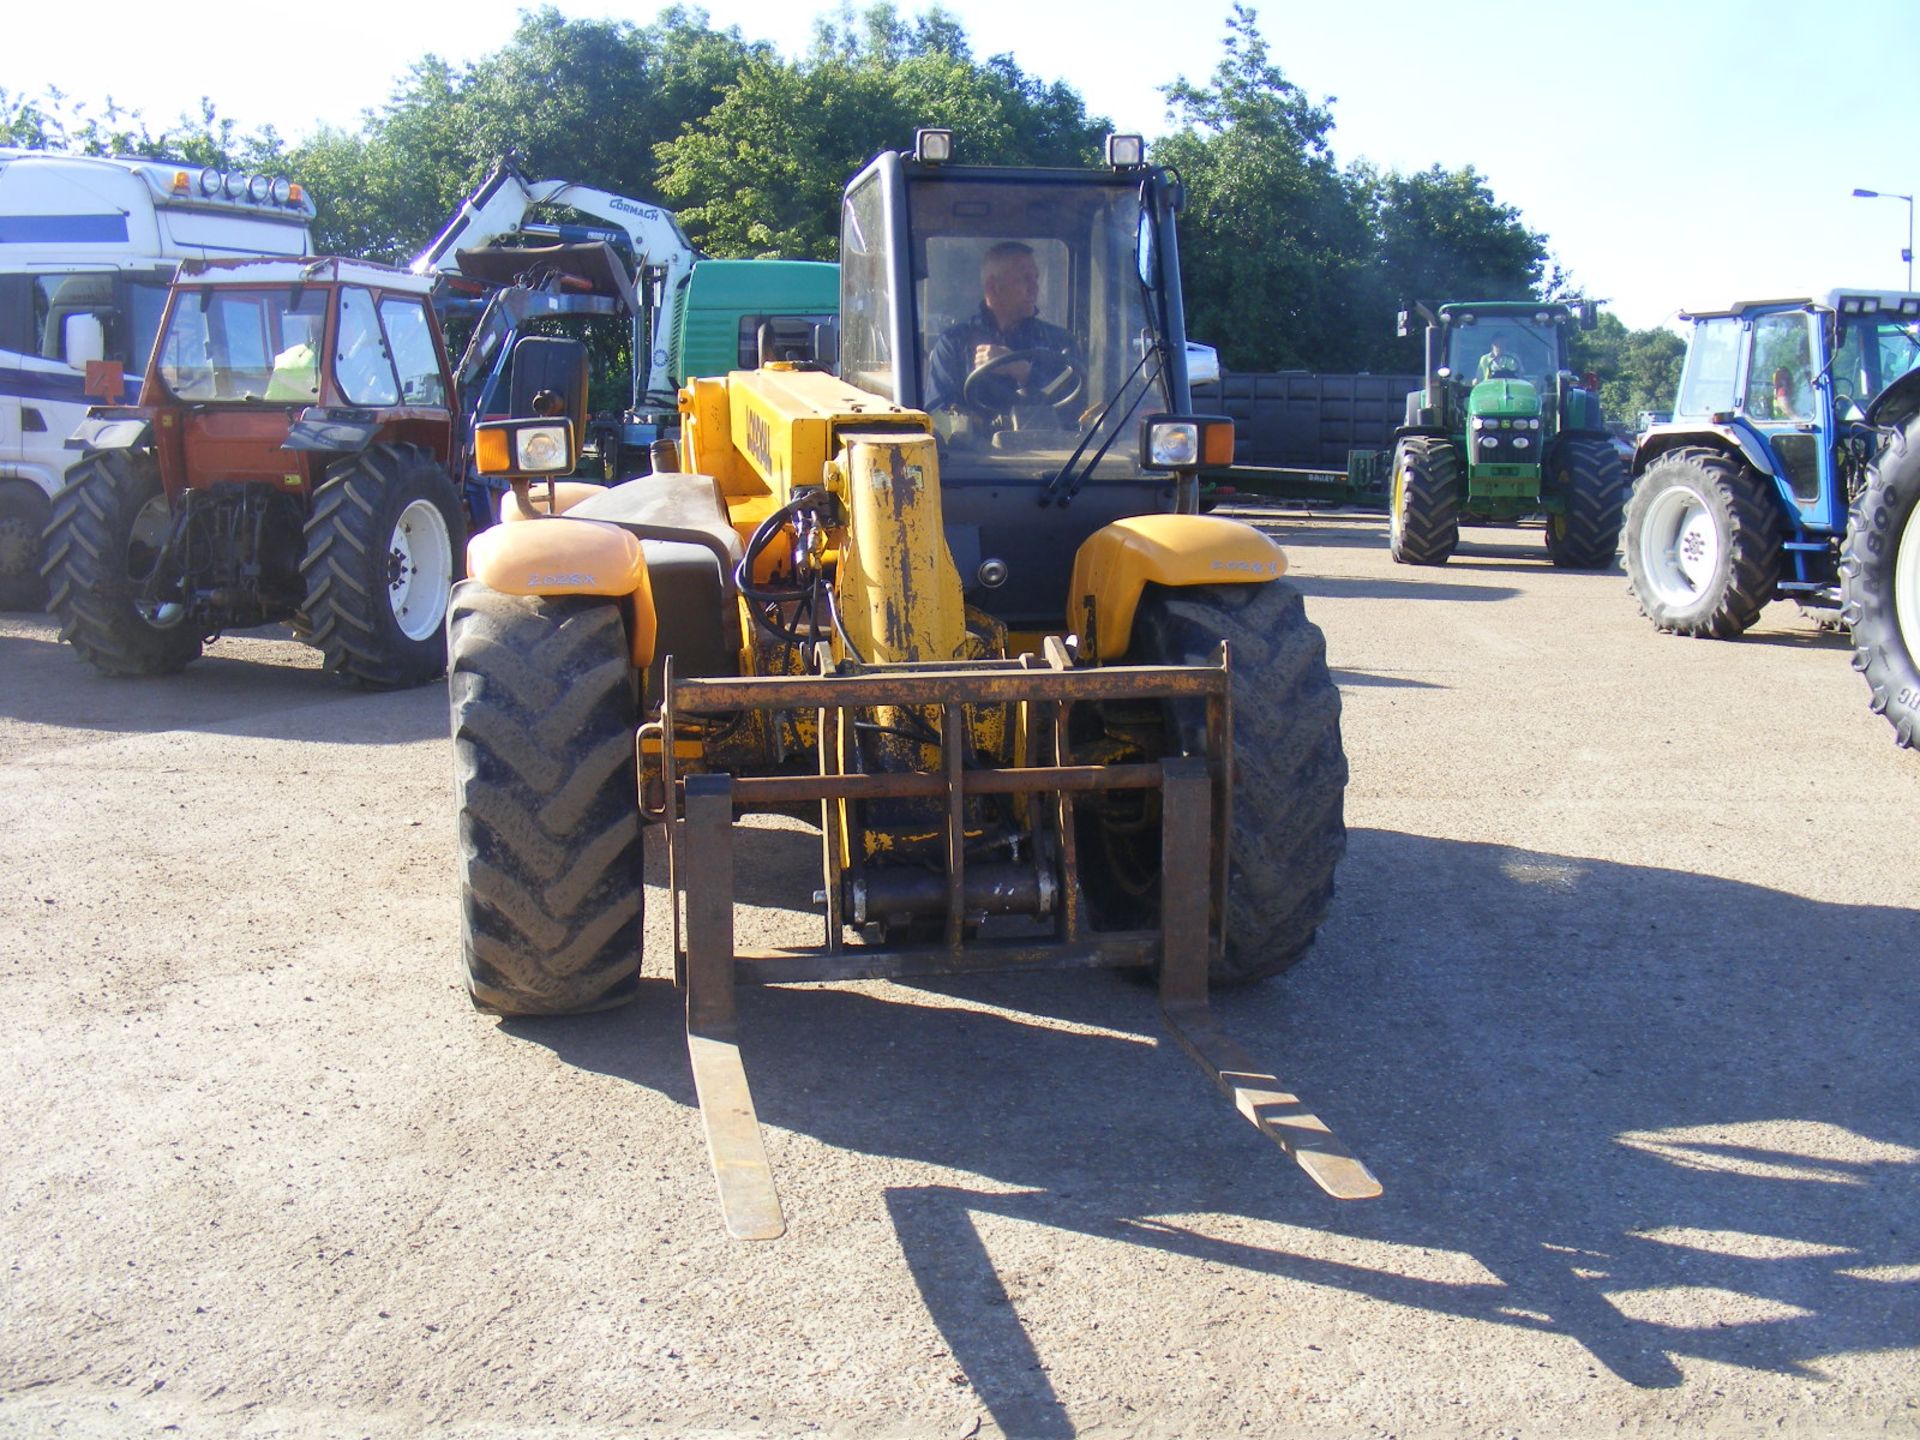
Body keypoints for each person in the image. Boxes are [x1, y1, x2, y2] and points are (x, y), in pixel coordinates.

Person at [926, 241, 1079, 418]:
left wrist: (1025, 372)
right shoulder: (954, 345)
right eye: (1024, 279)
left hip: (1058, 445)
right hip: (974, 446)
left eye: (1035, 278)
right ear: (993, 287)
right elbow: (937, 417)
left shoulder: (1060, 342)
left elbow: (1076, 410)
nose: (1034, 288)